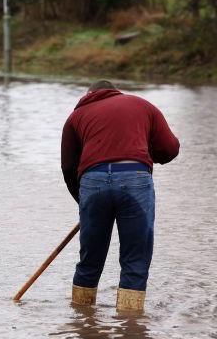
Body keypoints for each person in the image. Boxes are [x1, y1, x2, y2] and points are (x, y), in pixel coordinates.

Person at [60, 80, 180, 313]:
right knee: (135, 261)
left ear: (89, 95)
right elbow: (169, 149)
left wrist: (84, 202)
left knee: (89, 261)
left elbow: (68, 168)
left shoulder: (76, 116)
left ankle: (82, 322)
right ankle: (130, 326)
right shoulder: (144, 106)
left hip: (92, 184)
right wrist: (143, 149)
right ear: (114, 91)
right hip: (134, 179)